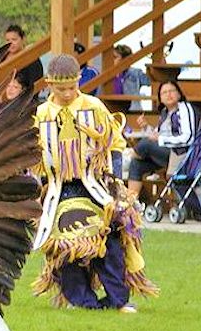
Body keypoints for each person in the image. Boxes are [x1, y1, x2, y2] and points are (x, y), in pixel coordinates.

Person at [31, 54, 157, 312]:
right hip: (58, 189)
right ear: (48, 84)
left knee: (108, 243)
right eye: (60, 88)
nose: (67, 93)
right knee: (67, 247)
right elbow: (34, 153)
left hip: (96, 186)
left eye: (72, 87)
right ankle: (80, 300)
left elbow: (115, 142)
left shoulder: (94, 107)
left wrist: (115, 180)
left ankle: (117, 299)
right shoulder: (42, 114)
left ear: (79, 80)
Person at [127, 80, 201, 197]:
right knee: (136, 164)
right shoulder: (165, 113)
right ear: (160, 98)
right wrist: (146, 127)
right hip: (167, 153)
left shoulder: (184, 108)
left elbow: (188, 138)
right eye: (164, 93)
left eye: (171, 91)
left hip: (184, 155)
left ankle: (126, 157)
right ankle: (131, 203)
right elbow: (156, 136)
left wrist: (161, 139)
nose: (168, 94)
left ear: (179, 94)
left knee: (145, 144)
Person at [112, 44, 150, 111]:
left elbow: (150, 81)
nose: (112, 60)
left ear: (124, 59)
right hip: (113, 109)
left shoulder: (136, 73)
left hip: (132, 110)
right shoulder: (108, 75)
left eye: (115, 57)